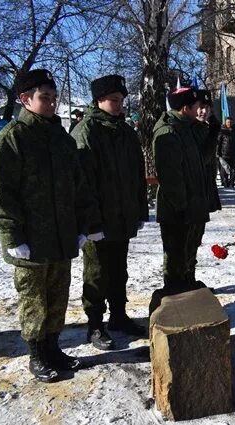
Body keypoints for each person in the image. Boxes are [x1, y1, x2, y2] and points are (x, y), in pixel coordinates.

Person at [0, 69, 101, 382]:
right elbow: (0, 194)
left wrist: (82, 226)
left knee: (57, 296)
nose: (51, 103)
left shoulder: (61, 139)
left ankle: (53, 348)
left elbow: (78, 187)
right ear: (25, 99)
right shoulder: (11, 139)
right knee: (34, 300)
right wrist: (12, 236)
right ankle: (37, 354)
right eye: (44, 97)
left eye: (53, 97)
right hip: (31, 241)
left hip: (62, 236)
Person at [71, 74, 148, 350]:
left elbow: (137, 175)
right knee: (96, 274)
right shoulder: (86, 131)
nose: (119, 105)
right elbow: (82, 184)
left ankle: (118, 316)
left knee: (119, 270)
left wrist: (140, 210)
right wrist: (90, 223)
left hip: (121, 217)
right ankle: (94, 325)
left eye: (121, 100)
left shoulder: (125, 131)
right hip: (98, 221)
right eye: (113, 100)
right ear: (99, 100)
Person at [153, 87, 209, 294]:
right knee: (175, 257)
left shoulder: (186, 129)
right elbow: (171, 177)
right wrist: (183, 207)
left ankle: (186, 291)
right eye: (197, 107)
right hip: (177, 210)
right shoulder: (169, 132)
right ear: (186, 108)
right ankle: (175, 298)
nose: (200, 111)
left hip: (190, 206)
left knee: (186, 253)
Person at [190, 89, 222, 287]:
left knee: (195, 240)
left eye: (207, 107)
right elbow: (203, 158)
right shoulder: (191, 130)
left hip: (202, 194)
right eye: (200, 107)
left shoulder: (207, 128)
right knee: (185, 244)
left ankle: (190, 280)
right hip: (190, 196)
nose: (204, 111)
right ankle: (183, 283)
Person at [216, 116, 235, 187]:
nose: (229, 123)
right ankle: (225, 182)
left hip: (233, 153)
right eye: (228, 122)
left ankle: (232, 182)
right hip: (224, 153)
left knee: (233, 169)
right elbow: (219, 143)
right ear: (225, 122)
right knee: (224, 170)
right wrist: (218, 152)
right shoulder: (222, 131)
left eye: (230, 122)